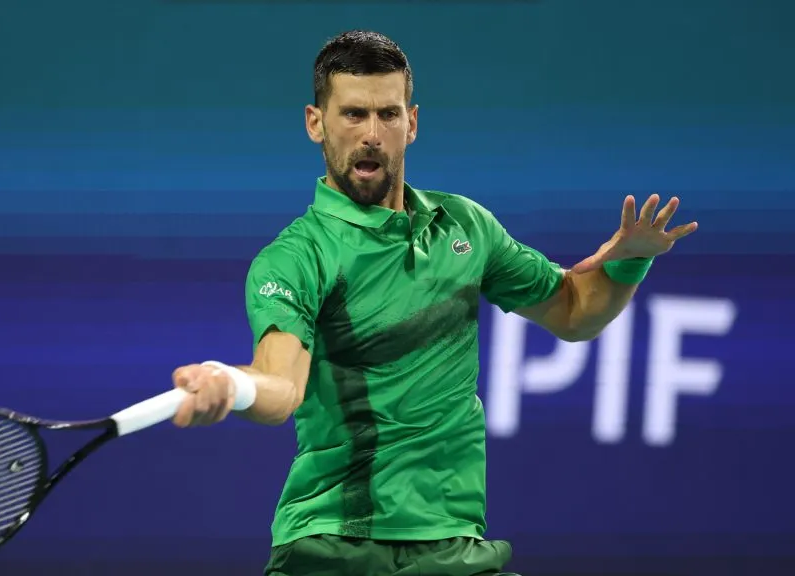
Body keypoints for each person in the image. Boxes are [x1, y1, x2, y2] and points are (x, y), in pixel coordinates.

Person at [168, 30, 698, 576]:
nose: (372, 135)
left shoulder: (467, 227)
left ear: (411, 123)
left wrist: (630, 260)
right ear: (315, 123)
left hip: (454, 546)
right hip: (334, 546)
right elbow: (281, 387)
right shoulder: (297, 257)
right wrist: (232, 385)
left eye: (388, 115)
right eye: (352, 115)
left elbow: (573, 309)